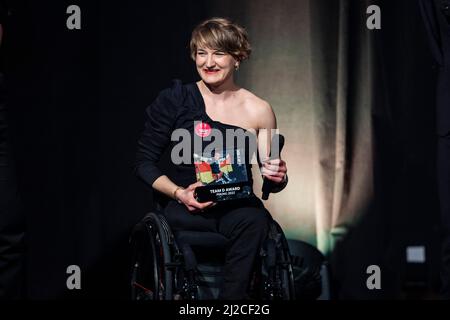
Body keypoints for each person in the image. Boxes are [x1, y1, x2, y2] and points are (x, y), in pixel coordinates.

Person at [135, 17, 288, 299]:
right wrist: (180, 193)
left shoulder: (259, 109)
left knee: (254, 221)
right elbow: (144, 163)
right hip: (185, 208)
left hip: (236, 209)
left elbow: (272, 176)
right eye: (201, 53)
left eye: (219, 53)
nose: (209, 62)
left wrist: (278, 175)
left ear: (238, 58)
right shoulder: (176, 99)